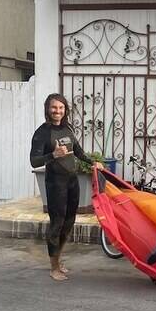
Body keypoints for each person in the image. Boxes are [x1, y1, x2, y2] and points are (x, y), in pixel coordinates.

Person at [30, 93, 102, 281]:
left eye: (61, 108)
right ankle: (54, 267)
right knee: (57, 223)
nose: (57, 111)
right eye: (54, 108)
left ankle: (59, 259)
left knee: (69, 222)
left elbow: (76, 150)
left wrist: (92, 162)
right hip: (55, 183)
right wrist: (53, 154)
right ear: (48, 109)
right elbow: (34, 161)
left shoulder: (67, 127)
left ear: (65, 110)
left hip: (71, 180)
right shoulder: (42, 132)